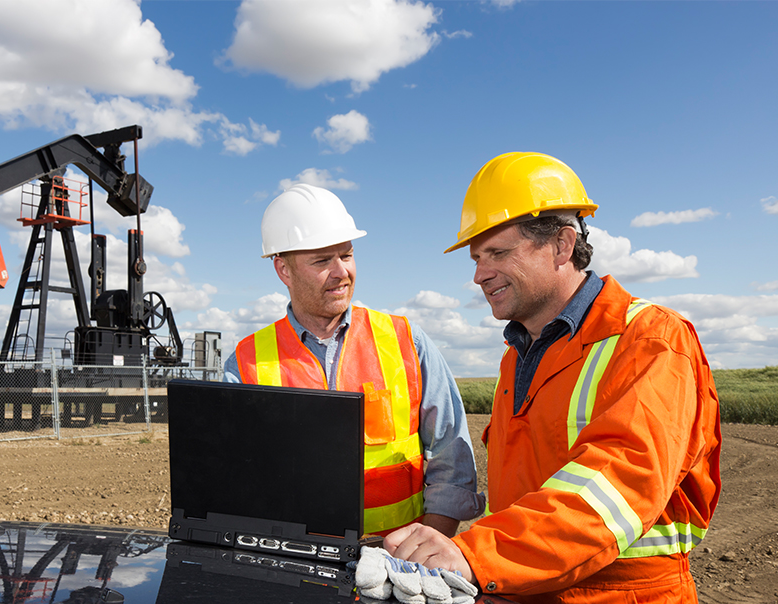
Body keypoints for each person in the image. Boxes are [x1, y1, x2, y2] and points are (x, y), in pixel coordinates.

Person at [384, 152, 722, 603]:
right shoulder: (518, 354)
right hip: (521, 589)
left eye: (498, 253)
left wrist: (477, 556)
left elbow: (617, 485)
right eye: (477, 258)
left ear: (563, 245)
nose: (480, 274)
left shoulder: (649, 338)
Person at [224, 183, 485, 537]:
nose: (341, 272)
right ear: (283, 270)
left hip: (397, 564)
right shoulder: (245, 363)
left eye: (346, 256)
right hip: (292, 568)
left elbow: (450, 456)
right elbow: (232, 477)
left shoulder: (407, 340)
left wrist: (429, 547)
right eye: (321, 260)